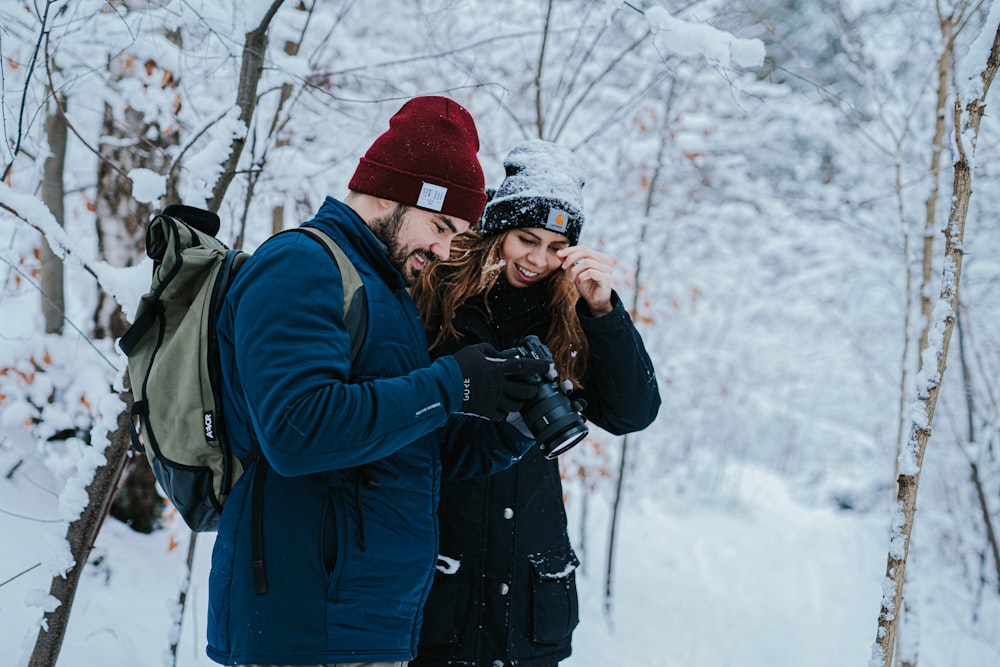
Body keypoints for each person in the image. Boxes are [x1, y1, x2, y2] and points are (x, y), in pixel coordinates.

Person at [207, 97, 553, 667]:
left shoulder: (386, 289)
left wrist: (509, 427)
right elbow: (298, 431)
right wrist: (451, 386)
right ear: (390, 192)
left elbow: (401, 449)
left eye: (459, 234)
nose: (444, 251)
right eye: (441, 226)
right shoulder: (301, 263)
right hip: (304, 626)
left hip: (363, 625)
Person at [409, 140, 661, 667]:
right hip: (444, 573)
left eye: (555, 247)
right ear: (496, 230)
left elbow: (632, 413)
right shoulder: (438, 297)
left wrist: (602, 308)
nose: (538, 259)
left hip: (529, 591)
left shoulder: (568, 316)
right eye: (526, 239)